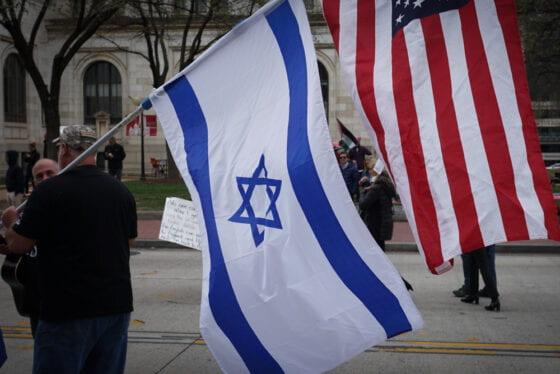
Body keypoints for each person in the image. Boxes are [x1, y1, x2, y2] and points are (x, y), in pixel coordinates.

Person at [1, 125, 137, 373]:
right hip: (116, 308)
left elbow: (19, 244)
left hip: (67, 310)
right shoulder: (121, 192)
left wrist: (11, 221)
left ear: (63, 149)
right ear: (94, 152)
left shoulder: (49, 192)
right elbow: (127, 244)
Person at [16, 159, 60, 337]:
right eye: (39, 176)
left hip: (62, 298)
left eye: (50, 173)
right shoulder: (28, 210)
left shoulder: (69, 204)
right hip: (36, 298)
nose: (45, 178)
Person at [359, 170, 413, 291]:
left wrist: (363, 191)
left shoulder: (376, 189)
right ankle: (393, 282)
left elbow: (363, 205)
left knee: (379, 260)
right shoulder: (386, 188)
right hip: (381, 229)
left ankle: (400, 283)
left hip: (374, 228)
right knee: (379, 258)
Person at [455, 245, 500, 311]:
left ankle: (494, 299)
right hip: (474, 239)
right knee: (472, 264)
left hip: (477, 239)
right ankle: (473, 294)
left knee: (483, 267)